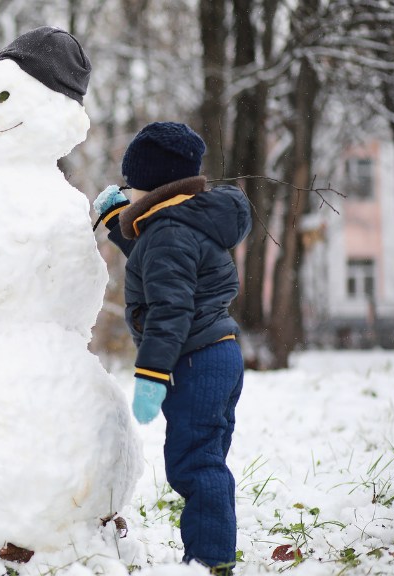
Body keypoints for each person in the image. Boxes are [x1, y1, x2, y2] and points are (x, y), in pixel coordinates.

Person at [93, 122, 251, 574]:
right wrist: (117, 223)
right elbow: (160, 261)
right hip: (219, 352)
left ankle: (210, 559)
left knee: (193, 462)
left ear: (153, 185)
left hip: (194, 358)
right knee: (207, 455)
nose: (128, 190)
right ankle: (213, 548)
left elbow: (170, 307)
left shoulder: (169, 233)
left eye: (133, 183)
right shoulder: (187, 222)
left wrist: (152, 374)